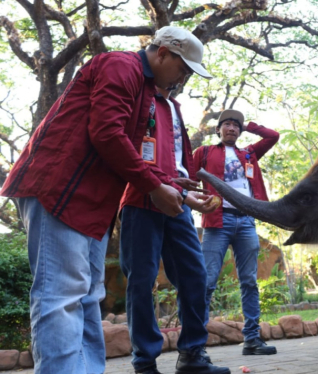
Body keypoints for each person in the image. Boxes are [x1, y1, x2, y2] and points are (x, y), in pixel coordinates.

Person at [0, 25, 211, 374]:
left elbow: (133, 155)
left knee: (87, 298)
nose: (183, 77)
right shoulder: (120, 66)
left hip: (94, 202)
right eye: (183, 68)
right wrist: (154, 188)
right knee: (62, 295)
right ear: (163, 53)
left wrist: (179, 191)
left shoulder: (145, 90)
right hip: (60, 188)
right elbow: (106, 133)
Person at [119, 80, 230, 374]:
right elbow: (125, 149)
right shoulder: (137, 97)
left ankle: (193, 355)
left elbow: (175, 164)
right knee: (141, 281)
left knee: (195, 276)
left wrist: (189, 194)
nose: (183, 76)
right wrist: (169, 188)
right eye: (181, 66)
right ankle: (145, 363)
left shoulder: (175, 107)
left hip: (178, 204)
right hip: (140, 199)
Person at [192, 109, 279, 355]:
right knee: (207, 281)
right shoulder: (205, 152)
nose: (231, 128)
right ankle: (195, 346)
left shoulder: (249, 153)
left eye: (235, 126)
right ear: (218, 129)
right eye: (227, 124)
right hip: (217, 222)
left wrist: (249, 125)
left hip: (246, 222)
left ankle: (252, 340)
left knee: (249, 281)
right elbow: (186, 177)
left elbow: (273, 136)